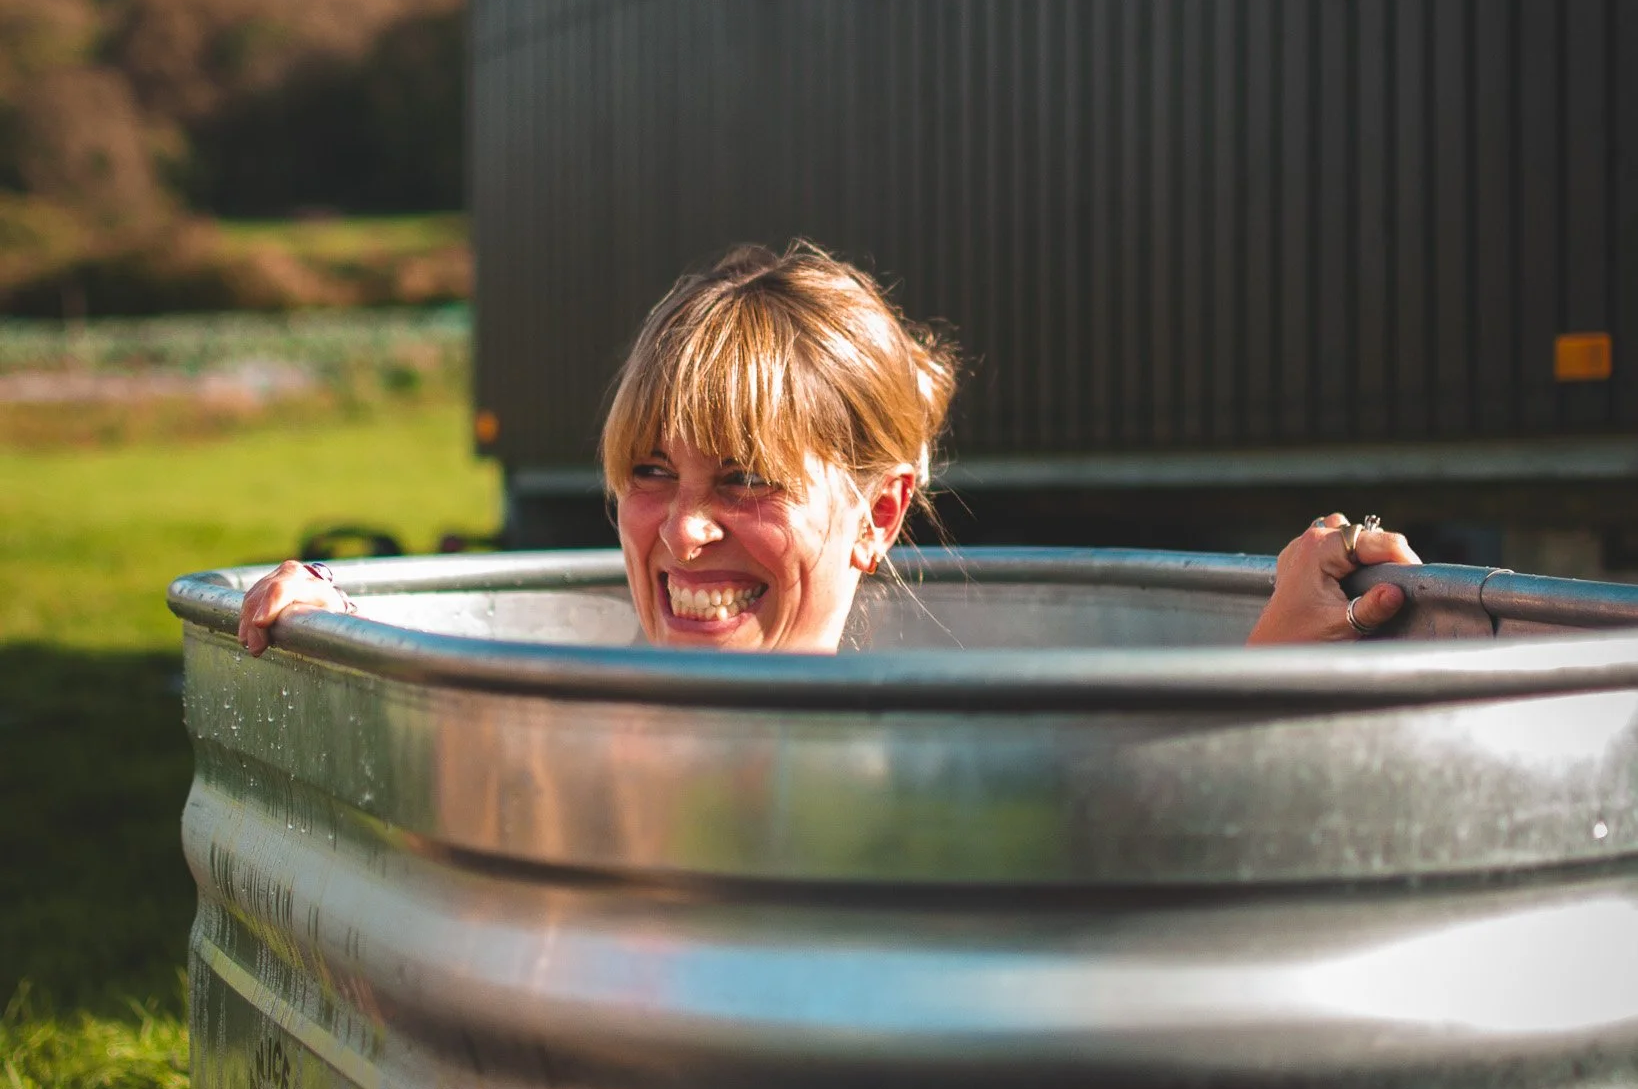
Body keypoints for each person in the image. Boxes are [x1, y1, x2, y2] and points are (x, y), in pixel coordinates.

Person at [236, 242, 1420, 656]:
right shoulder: (559, 726)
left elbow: (1125, 813)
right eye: (653, 471)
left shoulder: (927, 779)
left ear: (878, 512)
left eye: (744, 479)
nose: (683, 527)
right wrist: (337, 627)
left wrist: (1281, 643)